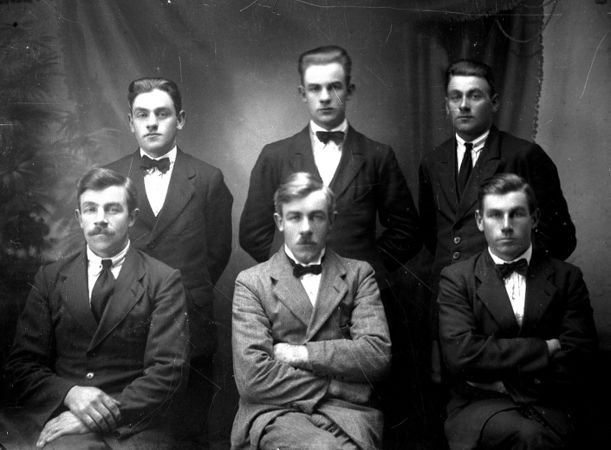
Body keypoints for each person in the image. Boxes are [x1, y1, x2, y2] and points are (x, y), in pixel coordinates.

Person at [238, 45, 422, 445]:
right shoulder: (275, 155)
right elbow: (252, 231)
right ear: (301, 93)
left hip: (356, 307)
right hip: (291, 311)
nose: (325, 97)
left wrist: (364, 267)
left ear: (350, 90)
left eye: (334, 87)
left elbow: (407, 229)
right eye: (315, 88)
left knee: (370, 416)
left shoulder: (377, 155)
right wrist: (289, 273)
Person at [0, 167, 189, 449]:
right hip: (62, 413)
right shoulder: (50, 278)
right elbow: (22, 365)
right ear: (79, 218)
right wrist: (71, 394)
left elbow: (168, 372)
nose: (100, 219)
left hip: (131, 424)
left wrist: (96, 417)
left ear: (132, 218)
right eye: (91, 209)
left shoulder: (162, 280)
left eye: (113, 209)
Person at [105, 77, 233, 443]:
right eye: (142, 115)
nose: (152, 123)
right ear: (130, 121)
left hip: (191, 321)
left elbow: (217, 253)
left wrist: (180, 292)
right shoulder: (111, 177)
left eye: (162, 114)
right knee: (128, 429)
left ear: (181, 119)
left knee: (189, 431)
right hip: (125, 319)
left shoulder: (208, 178)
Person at [231, 172, 391, 450]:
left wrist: (301, 354)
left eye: (316, 217)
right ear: (280, 222)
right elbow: (252, 378)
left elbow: (376, 354)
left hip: (348, 414)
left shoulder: (358, 274)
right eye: (295, 217)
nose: (305, 228)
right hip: (274, 413)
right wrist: (334, 386)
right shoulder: (251, 282)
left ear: (331, 222)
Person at [437, 173, 597, 450]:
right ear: (479, 221)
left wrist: (509, 383)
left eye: (517, 214)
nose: (506, 226)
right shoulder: (457, 278)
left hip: (550, 401)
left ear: (534, 218)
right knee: (529, 437)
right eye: (495, 215)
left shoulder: (566, 277)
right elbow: (461, 354)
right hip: (479, 405)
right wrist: (545, 349)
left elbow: (579, 355)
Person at [419, 59, 576, 285]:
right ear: (446, 105)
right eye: (455, 97)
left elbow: (560, 239)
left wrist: (514, 278)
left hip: (505, 293)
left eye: (474, 96)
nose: (463, 105)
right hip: (446, 293)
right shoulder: (432, 161)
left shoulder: (524, 155)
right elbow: (431, 236)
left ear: (494, 103)